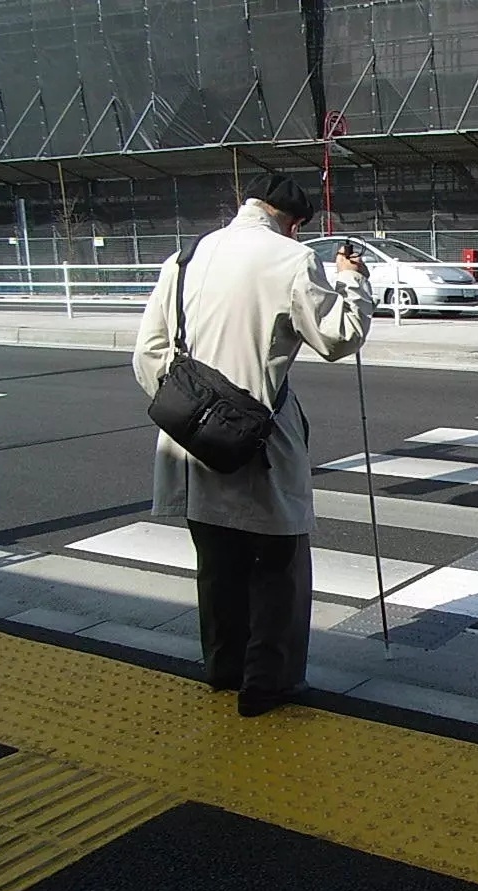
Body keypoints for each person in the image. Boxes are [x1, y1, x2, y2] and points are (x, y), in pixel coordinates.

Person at [133, 173, 374, 717]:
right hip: (260, 440)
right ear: (294, 222)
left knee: (217, 565)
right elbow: (337, 338)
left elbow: (147, 353)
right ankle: (269, 684)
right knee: (277, 566)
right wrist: (352, 282)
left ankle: (223, 668)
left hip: (192, 443)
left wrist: (195, 413)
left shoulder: (187, 257)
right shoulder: (290, 260)